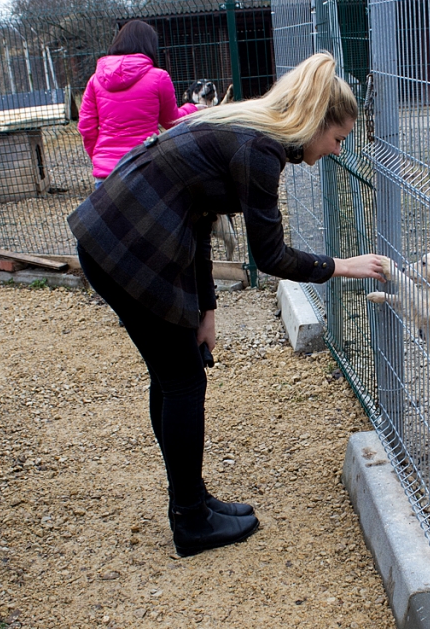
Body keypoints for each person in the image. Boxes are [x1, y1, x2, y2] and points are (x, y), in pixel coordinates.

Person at [68, 51, 387, 558]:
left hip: (122, 234)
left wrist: (206, 309)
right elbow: (271, 256)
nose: (335, 149)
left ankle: (192, 503)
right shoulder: (259, 149)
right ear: (314, 121)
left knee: (174, 374)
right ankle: (191, 521)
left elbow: (197, 215)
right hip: (125, 243)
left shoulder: (251, 128)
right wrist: (342, 266)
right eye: (338, 138)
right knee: (182, 379)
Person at [78, 19, 199, 188]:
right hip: (145, 167)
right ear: (149, 46)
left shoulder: (95, 80)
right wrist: (194, 109)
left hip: (107, 175)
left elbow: (86, 127)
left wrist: (100, 157)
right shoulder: (159, 77)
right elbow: (171, 121)